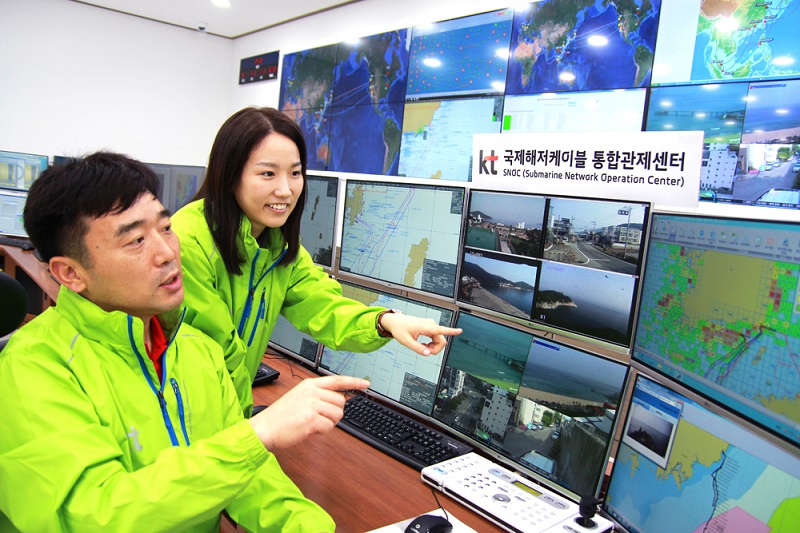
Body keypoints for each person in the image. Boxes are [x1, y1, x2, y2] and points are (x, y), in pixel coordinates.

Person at [0, 152, 368, 532]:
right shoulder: (34, 366)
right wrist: (258, 433)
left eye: (166, 228)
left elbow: (251, 480)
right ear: (70, 274)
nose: (166, 253)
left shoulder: (196, 349)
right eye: (137, 240)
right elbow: (97, 515)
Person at [171, 106, 462, 416]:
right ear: (230, 174)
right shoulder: (188, 241)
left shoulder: (277, 247)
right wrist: (265, 425)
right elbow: (216, 358)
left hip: (229, 418)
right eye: (267, 173)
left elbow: (326, 308)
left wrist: (386, 321)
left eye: (295, 173)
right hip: (188, 424)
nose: (285, 190)